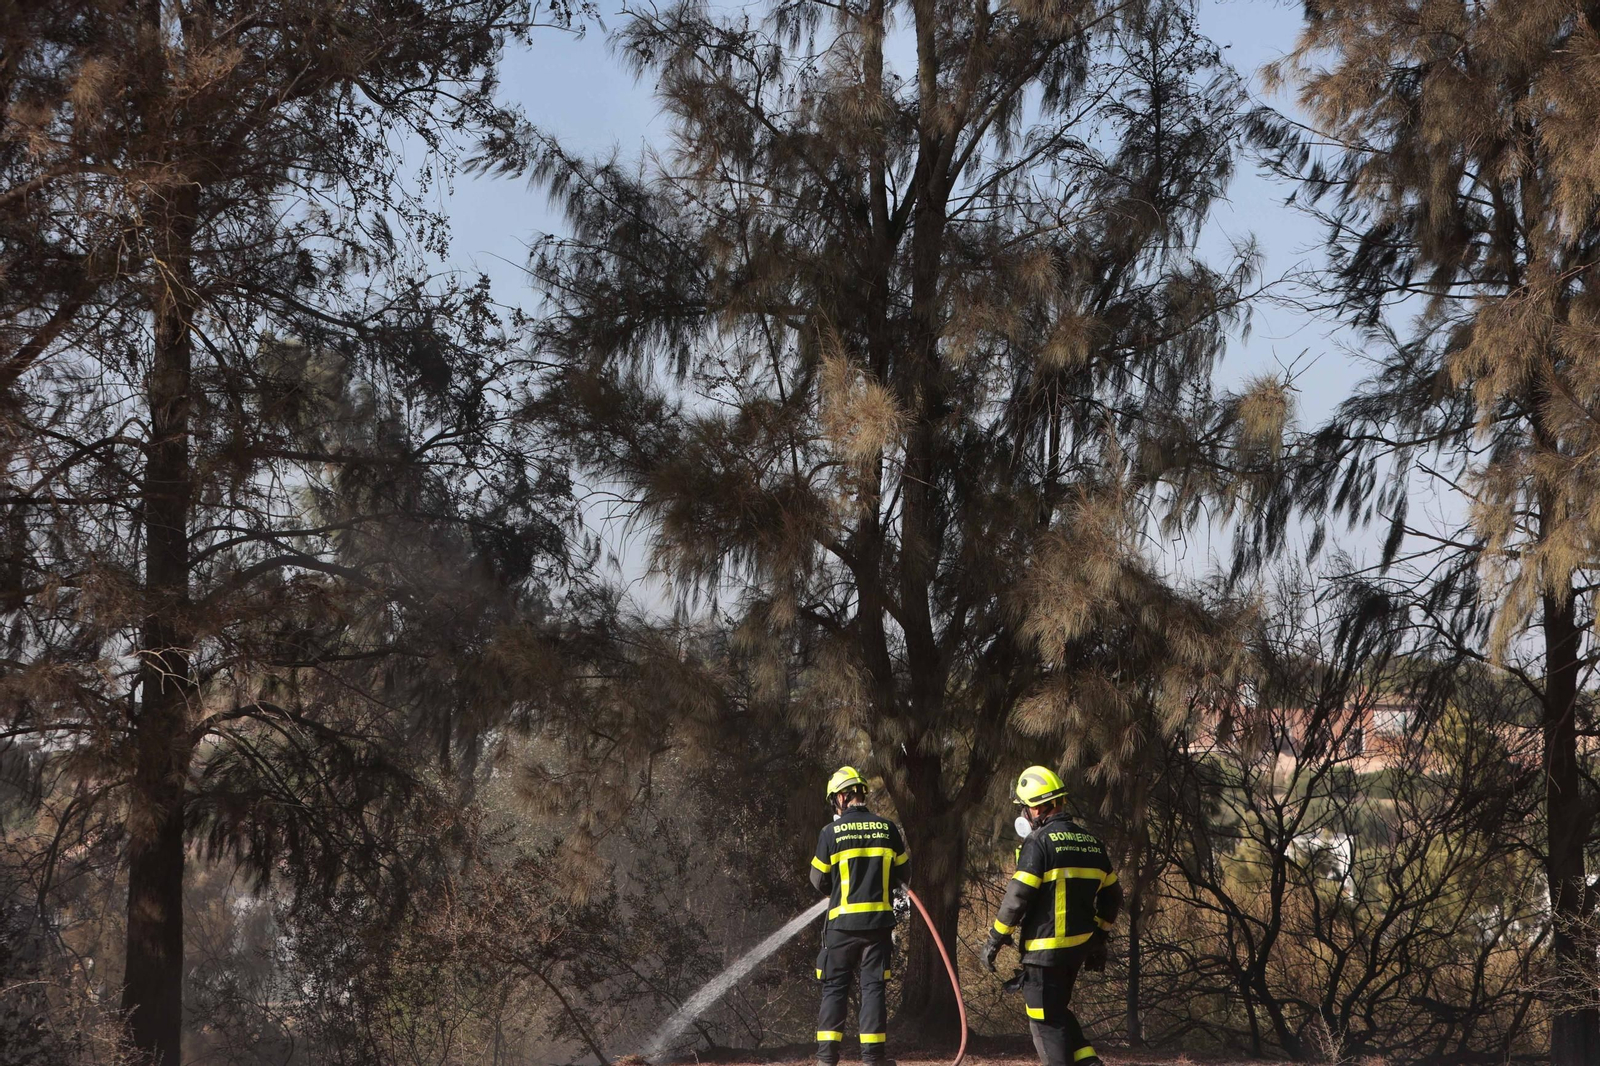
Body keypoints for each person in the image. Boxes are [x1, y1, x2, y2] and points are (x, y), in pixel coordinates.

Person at [982, 766, 1121, 1066]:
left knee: (1044, 1021)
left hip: (1044, 952)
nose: (1023, 813)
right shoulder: (1091, 843)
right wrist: (1099, 936)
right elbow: (1113, 896)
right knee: (1056, 1011)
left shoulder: (1039, 842)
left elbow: (1017, 897)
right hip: (1076, 950)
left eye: (1024, 807)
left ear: (1037, 808)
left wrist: (995, 938)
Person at [810, 766, 909, 1066]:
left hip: (841, 927)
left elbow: (818, 879)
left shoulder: (830, 833)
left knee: (834, 990)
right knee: (873, 990)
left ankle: (826, 1060)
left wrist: (840, 890)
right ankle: (873, 1060)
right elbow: (904, 874)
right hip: (878, 927)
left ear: (841, 797)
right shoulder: (887, 829)